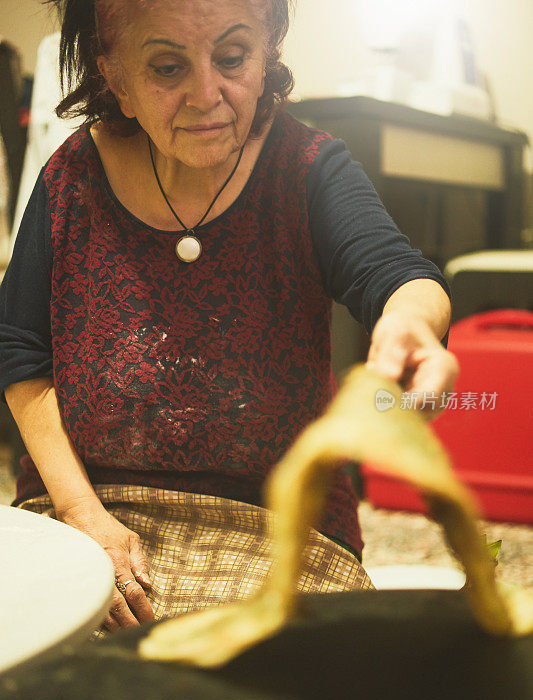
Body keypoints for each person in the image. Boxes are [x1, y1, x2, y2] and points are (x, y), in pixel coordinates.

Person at [0, 0, 457, 632]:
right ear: (116, 80)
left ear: (267, 51)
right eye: (166, 67)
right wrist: (83, 514)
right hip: (87, 504)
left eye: (234, 57)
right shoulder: (70, 179)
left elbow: (396, 272)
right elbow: (19, 350)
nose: (207, 93)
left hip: (274, 519)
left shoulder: (308, 167)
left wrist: (412, 323)